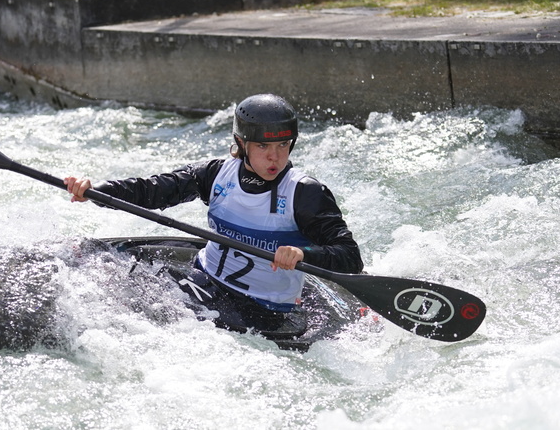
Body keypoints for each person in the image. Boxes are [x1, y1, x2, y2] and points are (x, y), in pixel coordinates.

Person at [64, 94, 362, 331]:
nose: (275, 157)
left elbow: (350, 257)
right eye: (263, 146)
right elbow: (152, 190)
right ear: (241, 144)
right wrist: (98, 191)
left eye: (284, 145)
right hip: (205, 277)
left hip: (260, 308)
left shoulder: (305, 193)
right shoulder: (217, 174)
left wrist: (303, 254)